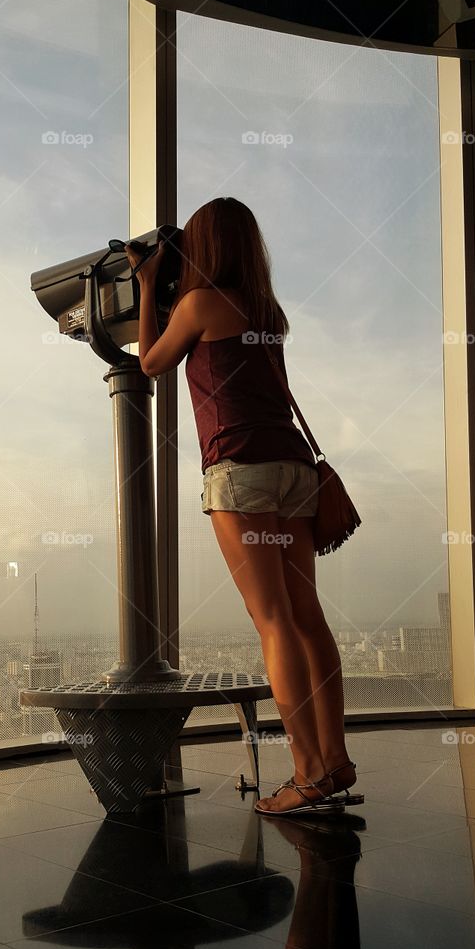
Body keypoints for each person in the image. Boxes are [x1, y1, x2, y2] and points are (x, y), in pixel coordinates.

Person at [125, 196, 362, 818]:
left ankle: (309, 772)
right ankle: (334, 758)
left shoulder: (197, 305)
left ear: (202, 251)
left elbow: (151, 362)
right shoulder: (268, 312)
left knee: (274, 624)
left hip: (242, 475)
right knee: (307, 618)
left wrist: (150, 286)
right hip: (293, 473)